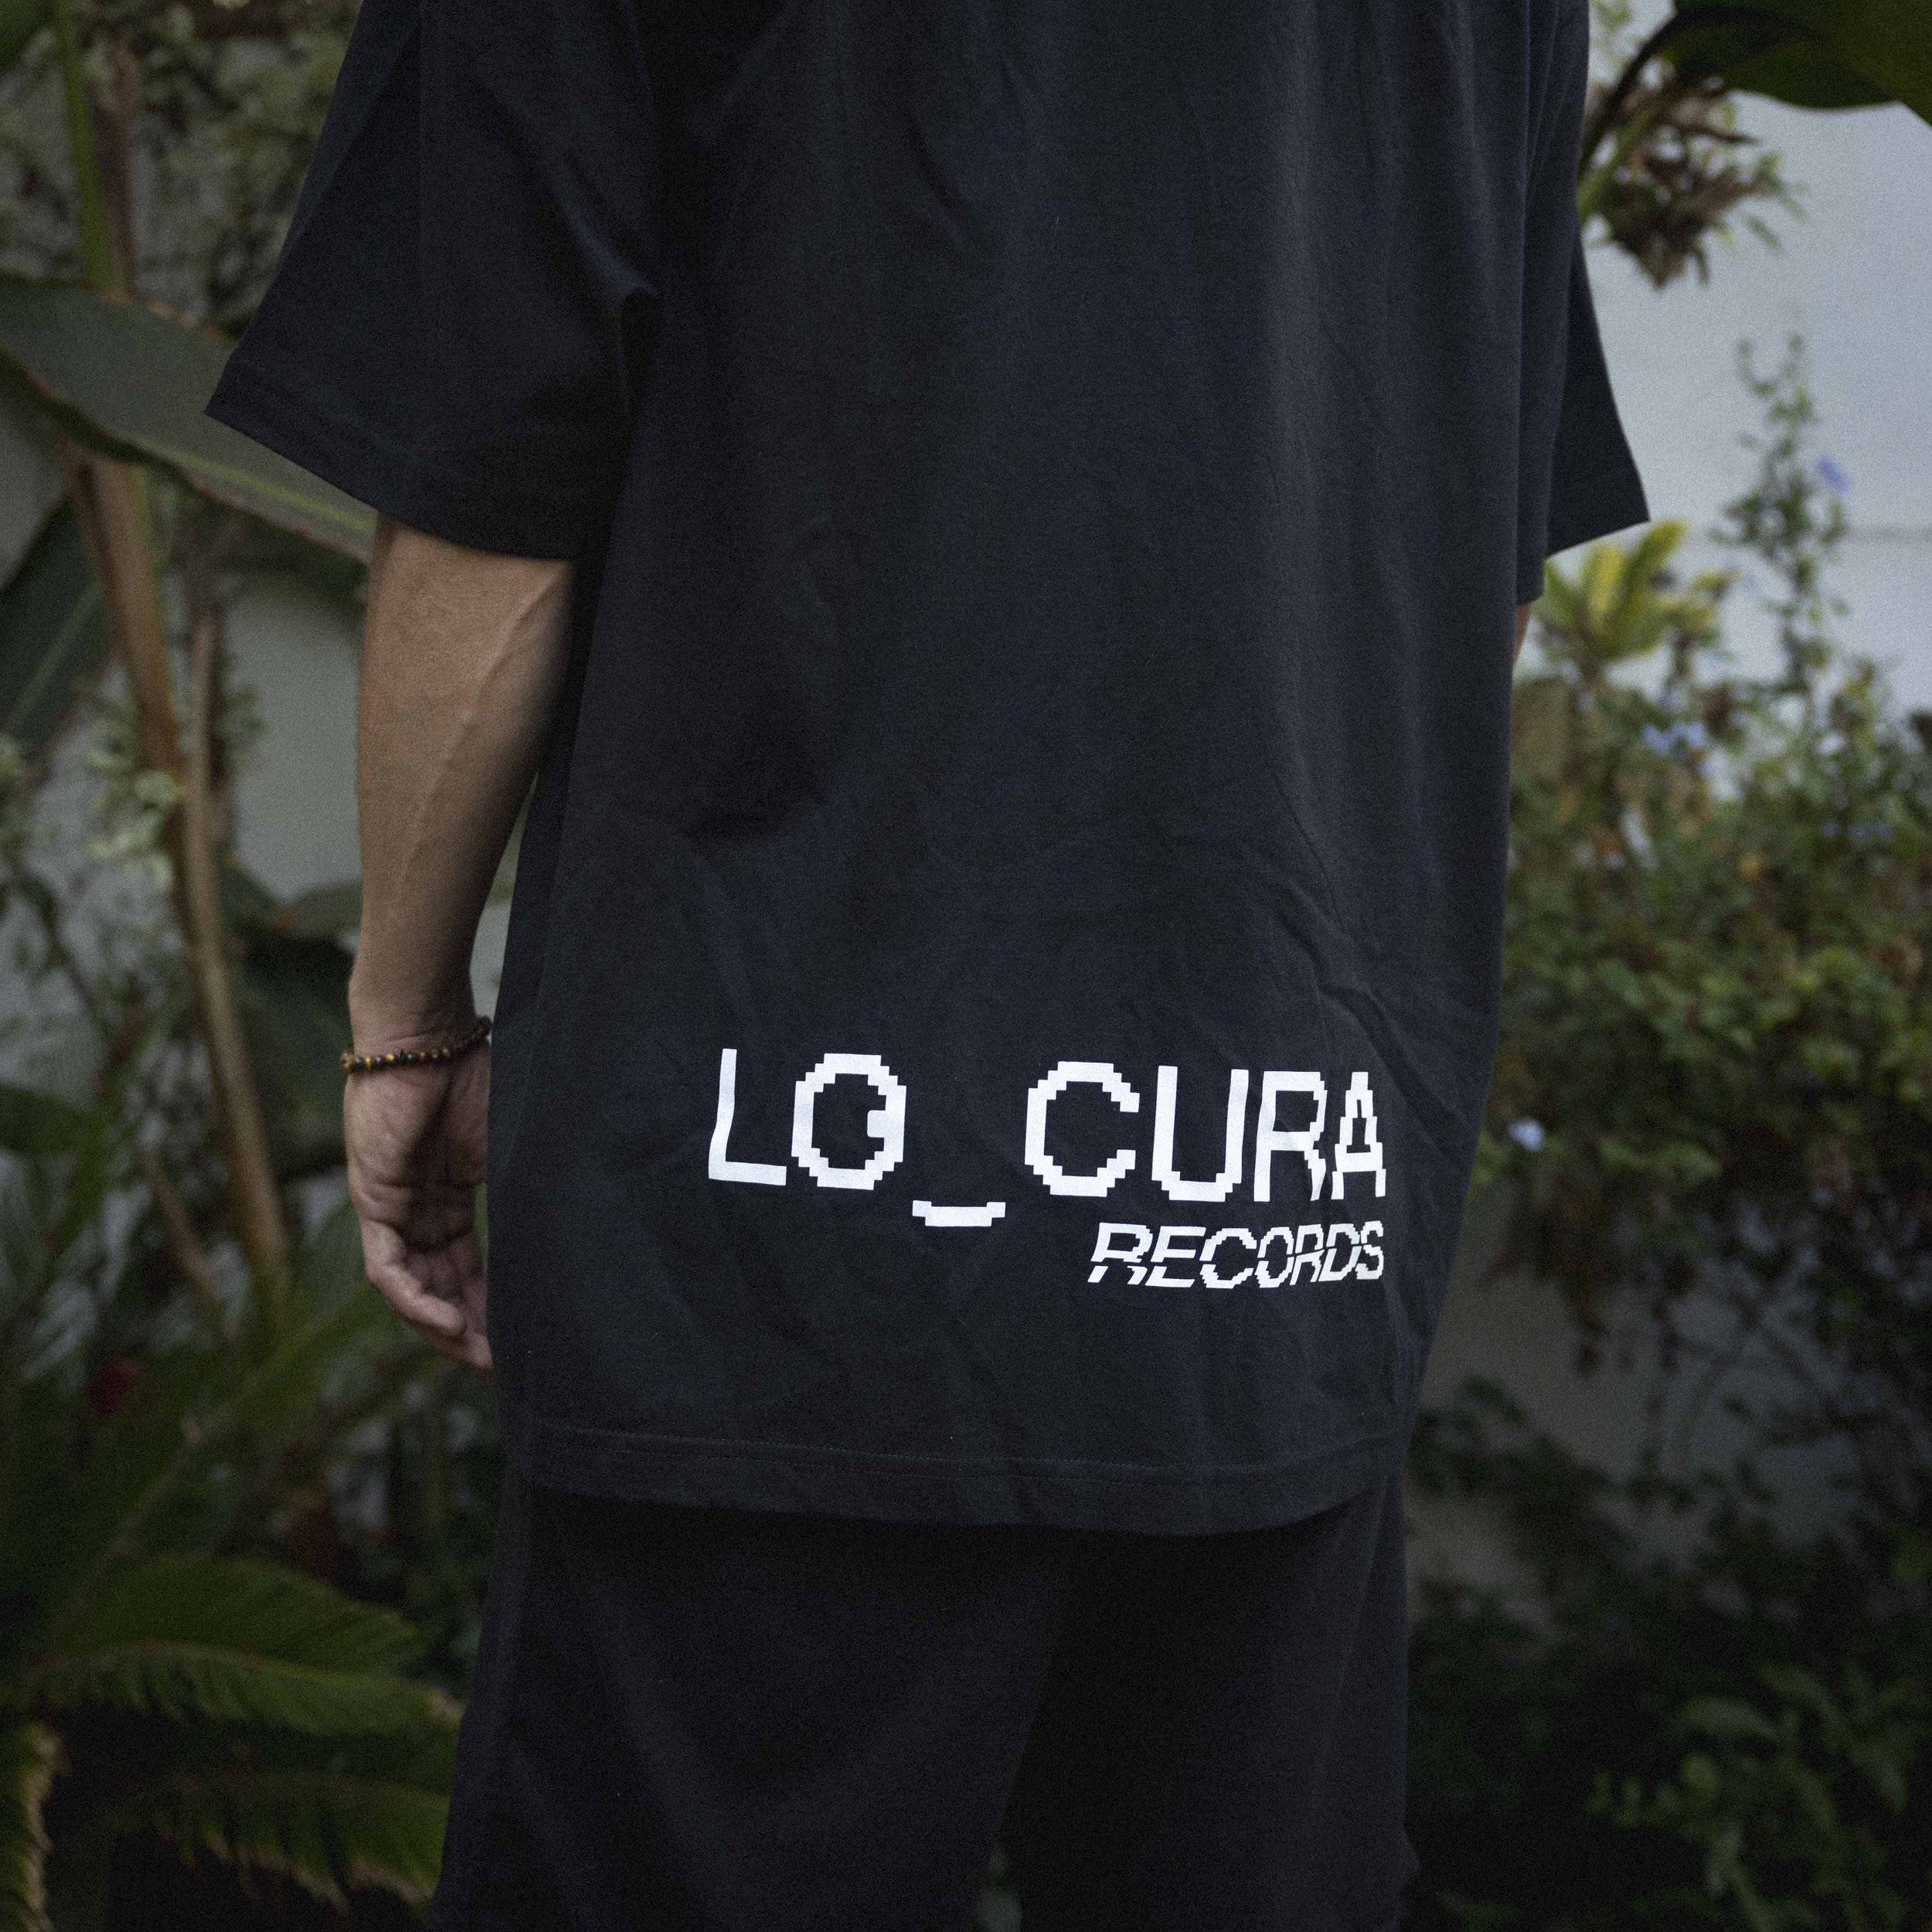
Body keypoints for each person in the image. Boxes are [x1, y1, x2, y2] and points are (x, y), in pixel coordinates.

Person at [209, 0, 1648, 1923]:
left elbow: (493, 501)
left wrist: (401, 1021)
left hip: (767, 1234)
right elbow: (1468, 551)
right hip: (1269, 1220)